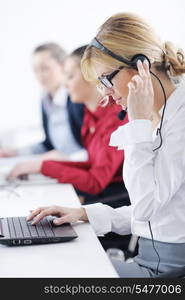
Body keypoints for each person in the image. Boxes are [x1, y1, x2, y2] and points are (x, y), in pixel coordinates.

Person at [26, 12, 185, 277]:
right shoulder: (162, 116)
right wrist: (84, 213)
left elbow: (146, 208)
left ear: (141, 65)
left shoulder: (175, 122)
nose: (107, 93)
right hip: (150, 258)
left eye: (106, 79)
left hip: (167, 271)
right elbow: (158, 211)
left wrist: (137, 122)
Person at [7, 45, 130, 207]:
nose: (64, 84)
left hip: (115, 203)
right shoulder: (90, 116)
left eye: (70, 76)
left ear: (92, 78)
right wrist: (40, 165)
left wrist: (44, 166)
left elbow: (95, 181)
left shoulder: (115, 117)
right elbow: (92, 165)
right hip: (102, 195)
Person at [0, 42, 86, 162]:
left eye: (45, 68)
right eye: (35, 70)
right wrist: (16, 152)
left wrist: (66, 159)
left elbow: (93, 149)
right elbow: (49, 145)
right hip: (64, 165)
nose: (40, 75)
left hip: (80, 164)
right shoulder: (46, 100)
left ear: (63, 66)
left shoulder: (77, 98)